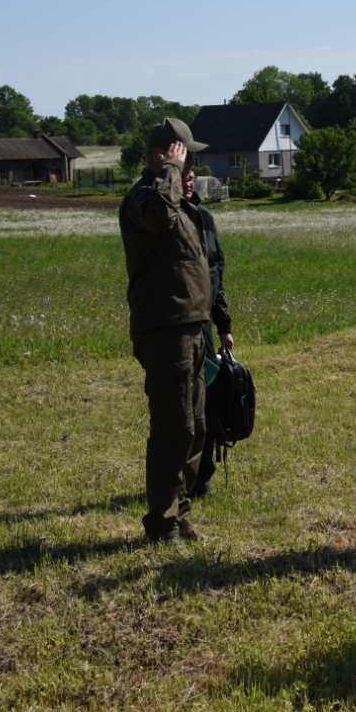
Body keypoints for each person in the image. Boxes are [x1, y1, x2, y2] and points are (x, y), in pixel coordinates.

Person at [119, 118, 213, 542]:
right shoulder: (144, 198)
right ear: (161, 156)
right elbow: (159, 215)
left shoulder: (179, 202)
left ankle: (180, 514)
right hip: (165, 331)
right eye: (183, 155)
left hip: (192, 329)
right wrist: (170, 173)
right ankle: (161, 523)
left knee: (194, 428)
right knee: (173, 428)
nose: (191, 163)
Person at [183, 162, 234, 498]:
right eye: (181, 176)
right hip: (178, 327)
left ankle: (203, 476)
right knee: (183, 404)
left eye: (191, 177)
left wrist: (224, 323)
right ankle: (181, 477)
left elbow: (216, 271)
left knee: (209, 400)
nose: (188, 182)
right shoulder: (167, 220)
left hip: (205, 327)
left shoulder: (205, 218)